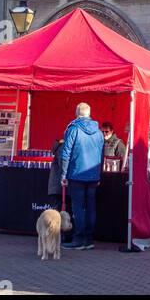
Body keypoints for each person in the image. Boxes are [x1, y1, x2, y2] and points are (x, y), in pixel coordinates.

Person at [59, 102, 105, 250]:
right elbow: (102, 155)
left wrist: (64, 174)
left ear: (77, 113)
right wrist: (99, 174)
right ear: (89, 113)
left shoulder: (73, 129)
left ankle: (79, 239)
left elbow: (66, 152)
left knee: (78, 207)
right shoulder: (98, 132)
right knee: (91, 206)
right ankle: (89, 239)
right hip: (93, 175)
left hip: (76, 174)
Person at [47, 137, 65, 212]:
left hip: (57, 188)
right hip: (58, 188)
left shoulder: (60, 148)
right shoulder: (62, 148)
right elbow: (63, 165)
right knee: (57, 214)